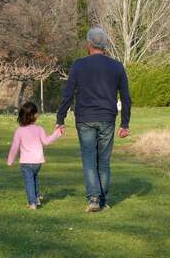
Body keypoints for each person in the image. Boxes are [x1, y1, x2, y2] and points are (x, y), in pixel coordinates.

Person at [56, 25, 131, 213]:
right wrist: (125, 123)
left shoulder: (79, 65)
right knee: (104, 161)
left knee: (89, 158)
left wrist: (60, 118)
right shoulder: (116, 66)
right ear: (104, 45)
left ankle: (94, 199)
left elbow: (68, 94)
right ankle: (103, 200)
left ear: (89, 44)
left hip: (85, 118)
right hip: (107, 118)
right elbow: (126, 97)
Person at [7, 102, 62, 210]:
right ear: (35, 116)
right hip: (38, 162)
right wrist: (57, 133)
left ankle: (32, 203)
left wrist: (10, 160)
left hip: (26, 162)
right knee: (34, 179)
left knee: (29, 182)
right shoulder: (39, 129)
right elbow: (46, 141)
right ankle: (36, 198)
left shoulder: (19, 131)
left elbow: (15, 147)